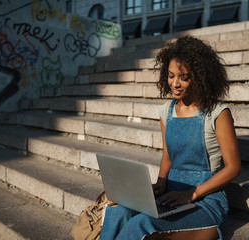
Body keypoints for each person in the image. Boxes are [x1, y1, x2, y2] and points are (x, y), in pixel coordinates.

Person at [99, 36, 241, 240]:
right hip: (171, 195)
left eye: (183, 77)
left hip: (205, 200)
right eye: (171, 75)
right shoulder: (167, 111)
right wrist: (161, 183)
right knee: (119, 211)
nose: (175, 83)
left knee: (141, 224)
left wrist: (191, 194)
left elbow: (234, 168)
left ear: (201, 77)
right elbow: (168, 155)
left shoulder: (217, 113)